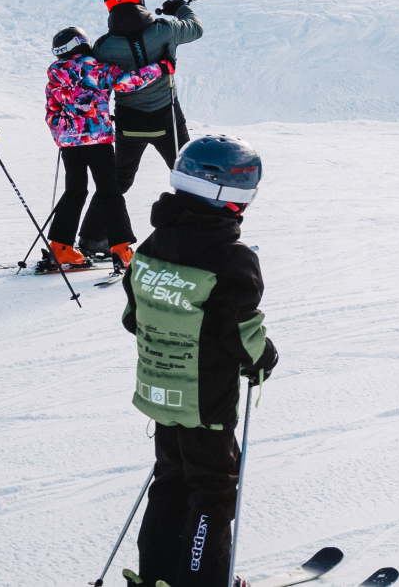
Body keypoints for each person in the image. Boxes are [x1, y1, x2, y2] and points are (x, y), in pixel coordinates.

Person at [121, 135, 278, 587]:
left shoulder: (151, 246)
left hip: (158, 390)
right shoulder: (231, 260)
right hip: (205, 400)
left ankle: (157, 575)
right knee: (212, 486)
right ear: (237, 200)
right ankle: (200, 580)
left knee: (171, 477)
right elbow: (241, 332)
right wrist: (262, 359)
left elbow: (135, 317)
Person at [40, 27, 168, 273]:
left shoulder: (55, 74)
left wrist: (62, 135)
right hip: (97, 140)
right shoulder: (92, 67)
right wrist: (160, 68)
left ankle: (60, 246)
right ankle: (121, 248)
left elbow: (51, 110)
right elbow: (124, 82)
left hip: (70, 143)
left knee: (75, 191)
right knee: (109, 191)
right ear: (81, 43)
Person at [93, 0, 204, 203]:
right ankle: (199, 234)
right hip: (167, 120)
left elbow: (98, 87)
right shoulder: (166, 30)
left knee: (118, 182)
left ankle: (91, 236)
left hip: (129, 124)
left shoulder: (103, 46)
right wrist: (181, 8)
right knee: (190, 179)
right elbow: (195, 28)